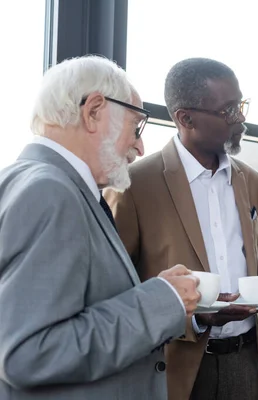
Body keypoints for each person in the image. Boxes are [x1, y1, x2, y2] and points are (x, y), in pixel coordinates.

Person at [104, 57, 258, 400]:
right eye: (228, 111)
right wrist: (193, 319)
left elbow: (255, 265)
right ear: (185, 118)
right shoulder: (132, 185)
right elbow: (116, 291)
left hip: (245, 361)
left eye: (241, 106)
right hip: (173, 369)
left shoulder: (252, 182)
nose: (241, 121)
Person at [0, 55, 202, 400]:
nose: (139, 147)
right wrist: (161, 301)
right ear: (94, 111)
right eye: (135, 127)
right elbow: (30, 354)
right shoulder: (51, 192)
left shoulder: (26, 181)